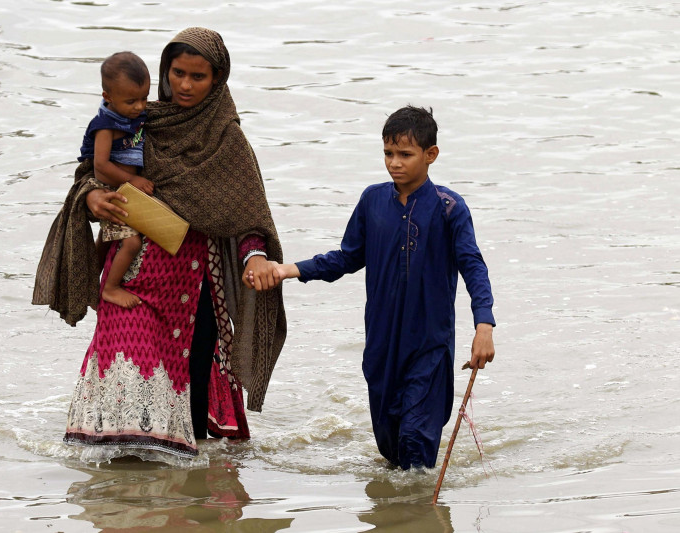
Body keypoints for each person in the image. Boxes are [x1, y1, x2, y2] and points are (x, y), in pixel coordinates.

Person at [32, 27, 286, 462]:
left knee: (186, 399)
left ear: (218, 79)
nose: (185, 85)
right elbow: (91, 172)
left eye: (198, 76)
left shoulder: (227, 139)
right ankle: (117, 498)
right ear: (165, 72)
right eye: (178, 72)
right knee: (123, 367)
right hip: (128, 274)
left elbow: (246, 213)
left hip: (191, 287)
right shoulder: (135, 117)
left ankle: (187, 503)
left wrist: (255, 255)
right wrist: (93, 196)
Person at [263, 106, 495, 470]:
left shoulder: (449, 209)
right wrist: (290, 269)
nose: (394, 163)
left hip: (428, 348)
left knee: (415, 447)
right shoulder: (372, 201)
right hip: (381, 347)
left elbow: (473, 266)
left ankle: (419, 517)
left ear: (431, 155)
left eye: (405, 154)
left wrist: (484, 324)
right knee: (391, 451)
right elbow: (346, 257)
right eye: (388, 153)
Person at [76, 51, 153, 309]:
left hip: (122, 186)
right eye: (131, 101)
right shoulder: (105, 125)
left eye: (144, 98)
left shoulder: (132, 116)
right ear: (107, 97)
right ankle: (109, 288)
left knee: (106, 240)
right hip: (109, 189)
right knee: (130, 241)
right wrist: (132, 180)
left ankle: (89, 284)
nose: (140, 107)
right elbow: (100, 167)